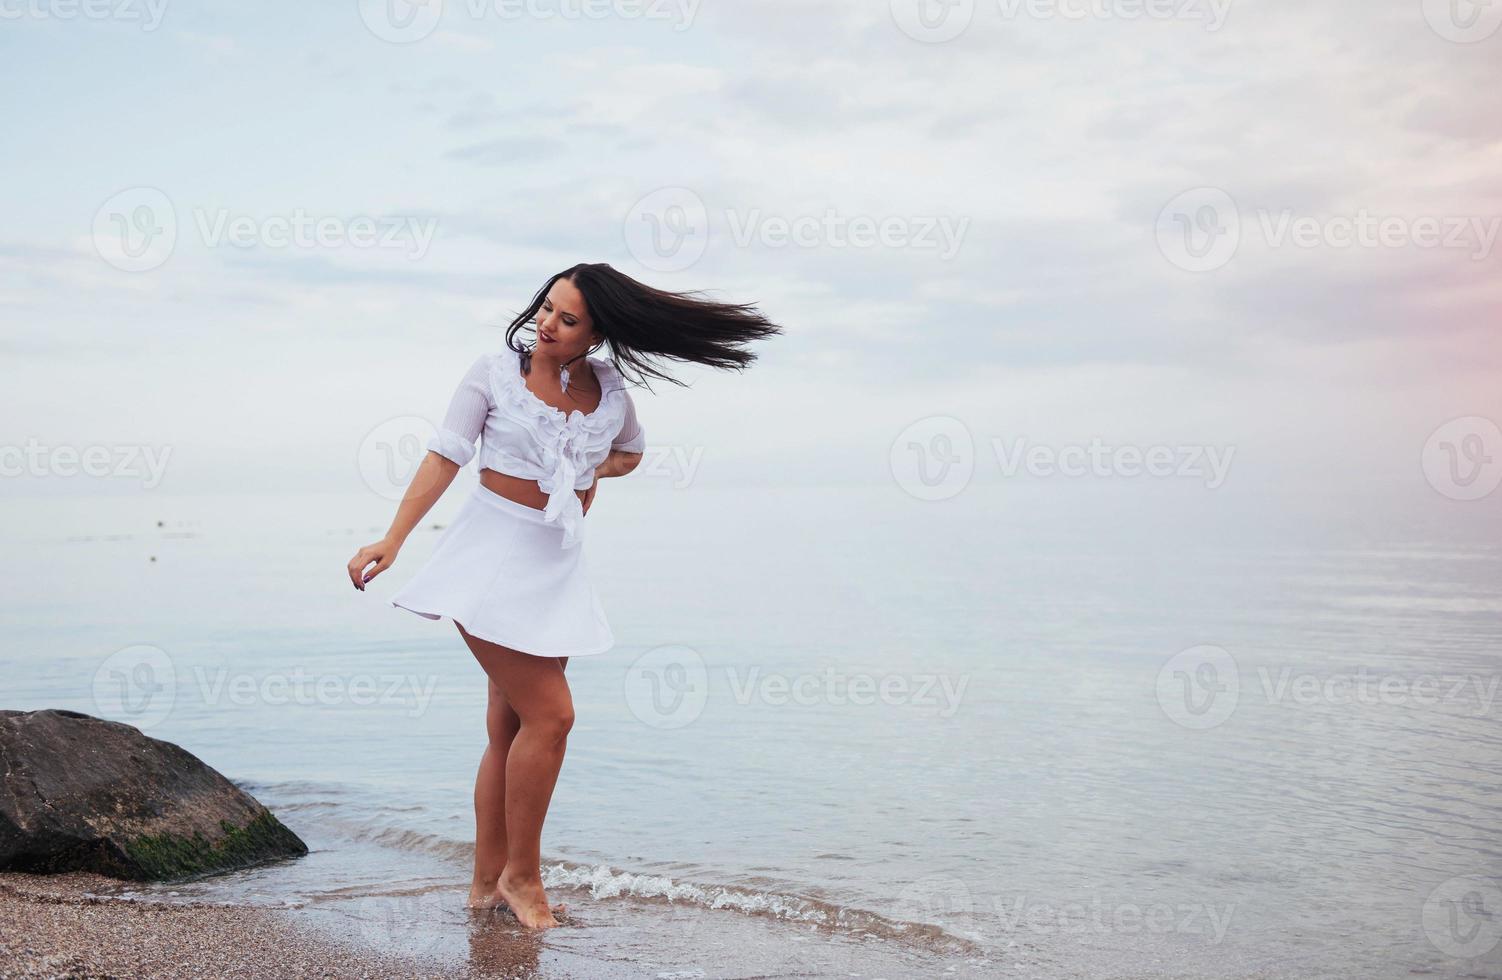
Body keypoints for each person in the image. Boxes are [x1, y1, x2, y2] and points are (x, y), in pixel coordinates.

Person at [346, 263, 782, 929]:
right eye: (547, 308)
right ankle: (524, 879)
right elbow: (445, 455)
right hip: (487, 557)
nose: (547, 323)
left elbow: (630, 453)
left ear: (598, 332)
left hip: (555, 564)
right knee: (553, 717)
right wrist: (393, 539)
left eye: (567, 317)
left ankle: (483, 885)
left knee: (513, 726)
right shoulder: (495, 373)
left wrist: (580, 467)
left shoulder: (608, 389)